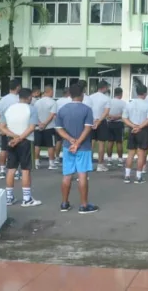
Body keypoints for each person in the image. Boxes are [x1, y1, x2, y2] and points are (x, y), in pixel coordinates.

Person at [55, 84, 99, 214]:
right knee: (82, 175)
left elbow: (58, 128)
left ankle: (64, 203)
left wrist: (70, 140)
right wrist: (78, 142)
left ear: (69, 94)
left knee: (67, 175)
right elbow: (87, 128)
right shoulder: (86, 109)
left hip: (68, 147)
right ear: (82, 94)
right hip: (83, 147)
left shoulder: (62, 109)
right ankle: (84, 205)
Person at [0, 88, 42, 207]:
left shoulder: (9, 109)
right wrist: (20, 138)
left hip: (11, 141)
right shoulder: (31, 109)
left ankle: (9, 197)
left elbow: (1, 127)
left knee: (11, 169)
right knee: (25, 170)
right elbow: (32, 127)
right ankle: (27, 199)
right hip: (26, 141)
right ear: (29, 97)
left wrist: (14, 137)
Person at [122, 84, 148, 184]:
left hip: (132, 129)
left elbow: (124, 118)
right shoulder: (147, 105)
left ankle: (127, 176)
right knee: (141, 154)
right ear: (145, 93)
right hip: (143, 130)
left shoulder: (129, 103)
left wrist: (133, 126)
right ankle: (138, 177)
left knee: (130, 154)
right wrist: (139, 127)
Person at [0, 80, 21, 179]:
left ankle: (2, 170)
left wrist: (2, 125)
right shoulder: (19, 99)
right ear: (18, 87)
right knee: (16, 150)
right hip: (16, 128)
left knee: (4, 149)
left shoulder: (3, 99)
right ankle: (15, 171)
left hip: (5, 128)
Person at [34, 86, 58, 170]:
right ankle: (51, 163)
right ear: (50, 91)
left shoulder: (37, 102)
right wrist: (45, 124)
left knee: (37, 145)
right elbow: (52, 115)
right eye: (52, 91)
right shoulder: (53, 102)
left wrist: (40, 123)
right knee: (50, 145)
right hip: (49, 127)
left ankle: (36, 162)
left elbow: (34, 114)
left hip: (38, 127)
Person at [90, 80, 111, 172]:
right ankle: (100, 165)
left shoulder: (90, 97)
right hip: (101, 122)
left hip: (91, 121)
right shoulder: (106, 98)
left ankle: (88, 164)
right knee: (101, 143)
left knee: (91, 143)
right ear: (104, 88)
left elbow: (88, 110)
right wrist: (99, 121)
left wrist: (93, 120)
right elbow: (106, 112)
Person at [106, 87, 127, 167]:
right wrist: (117, 117)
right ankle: (120, 160)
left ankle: (109, 159)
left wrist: (111, 117)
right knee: (119, 142)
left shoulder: (109, 102)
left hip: (110, 123)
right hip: (119, 124)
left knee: (110, 142)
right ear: (121, 94)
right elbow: (124, 114)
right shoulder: (123, 103)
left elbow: (106, 112)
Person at [54, 87, 71, 163]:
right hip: (68, 122)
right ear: (68, 93)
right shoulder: (70, 101)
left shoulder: (57, 101)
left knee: (59, 140)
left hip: (59, 122)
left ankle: (56, 157)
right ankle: (67, 157)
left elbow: (55, 113)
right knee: (69, 139)